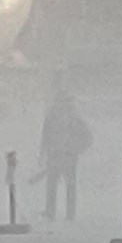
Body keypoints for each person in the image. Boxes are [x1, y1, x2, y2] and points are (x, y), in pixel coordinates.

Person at [40, 89, 93, 221]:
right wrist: (42, 153)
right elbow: (45, 136)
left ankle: (70, 214)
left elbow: (87, 137)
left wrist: (74, 149)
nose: (61, 105)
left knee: (70, 185)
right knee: (51, 185)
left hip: (69, 156)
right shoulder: (51, 117)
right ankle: (50, 212)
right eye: (60, 101)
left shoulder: (75, 119)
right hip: (54, 155)